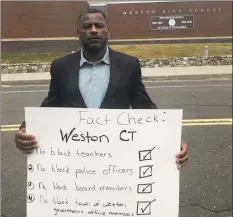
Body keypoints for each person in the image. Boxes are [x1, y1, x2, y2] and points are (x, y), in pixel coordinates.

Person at [15, 8, 188, 168]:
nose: (93, 30)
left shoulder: (129, 65)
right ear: (78, 33)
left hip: (117, 155)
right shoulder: (61, 66)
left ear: (109, 32)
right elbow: (51, 104)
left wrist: (170, 138)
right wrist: (26, 129)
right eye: (87, 26)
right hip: (74, 157)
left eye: (99, 25)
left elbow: (143, 105)